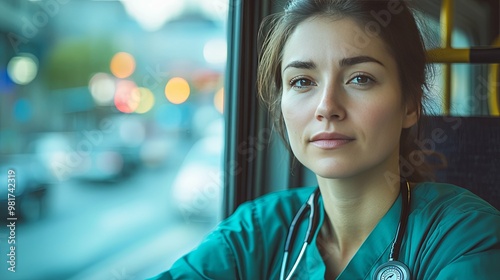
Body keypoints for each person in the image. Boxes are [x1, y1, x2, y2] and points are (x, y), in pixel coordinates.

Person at [150, 0, 500, 279]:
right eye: (302, 81)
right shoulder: (256, 231)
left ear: (409, 103)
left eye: (360, 78)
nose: (327, 107)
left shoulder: (466, 238)